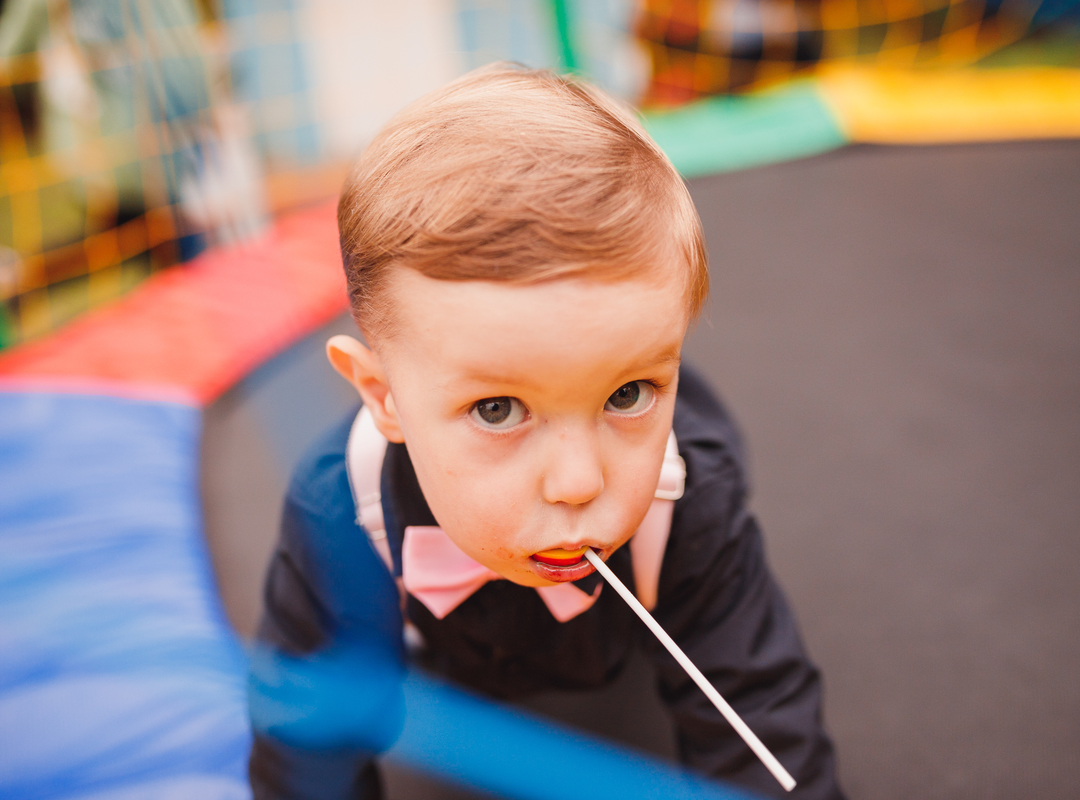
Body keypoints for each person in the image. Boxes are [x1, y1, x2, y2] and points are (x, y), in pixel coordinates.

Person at [249, 63, 843, 800]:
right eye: (498, 409)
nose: (578, 482)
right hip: (453, 651)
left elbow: (762, 719)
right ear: (383, 396)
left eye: (629, 392)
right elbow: (308, 742)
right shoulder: (340, 512)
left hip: (617, 630)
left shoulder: (687, 504)